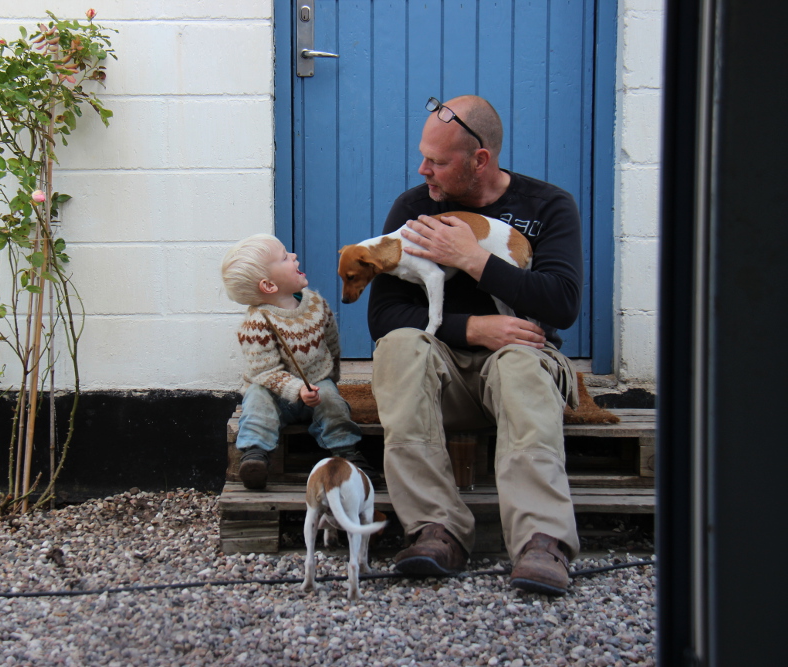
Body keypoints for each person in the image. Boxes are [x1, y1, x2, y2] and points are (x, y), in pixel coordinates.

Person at [368, 95, 582, 595]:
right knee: (399, 347)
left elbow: (563, 303)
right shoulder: (414, 208)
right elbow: (384, 316)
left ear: (479, 160)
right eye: (424, 157)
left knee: (519, 366)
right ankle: (435, 529)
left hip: (520, 365)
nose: (424, 170)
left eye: (438, 162)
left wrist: (474, 259)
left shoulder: (548, 206)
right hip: (445, 379)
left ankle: (541, 542)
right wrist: (474, 328)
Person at [221, 234, 376, 490]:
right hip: (275, 393)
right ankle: (255, 455)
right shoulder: (257, 323)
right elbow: (265, 371)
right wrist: (296, 390)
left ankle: (346, 453)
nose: (293, 256)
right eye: (284, 257)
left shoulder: (316, 305)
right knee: (256, 399)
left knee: (333, 402)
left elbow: (332, 344)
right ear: (269, 286)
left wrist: (331, 380)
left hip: (316, 386)